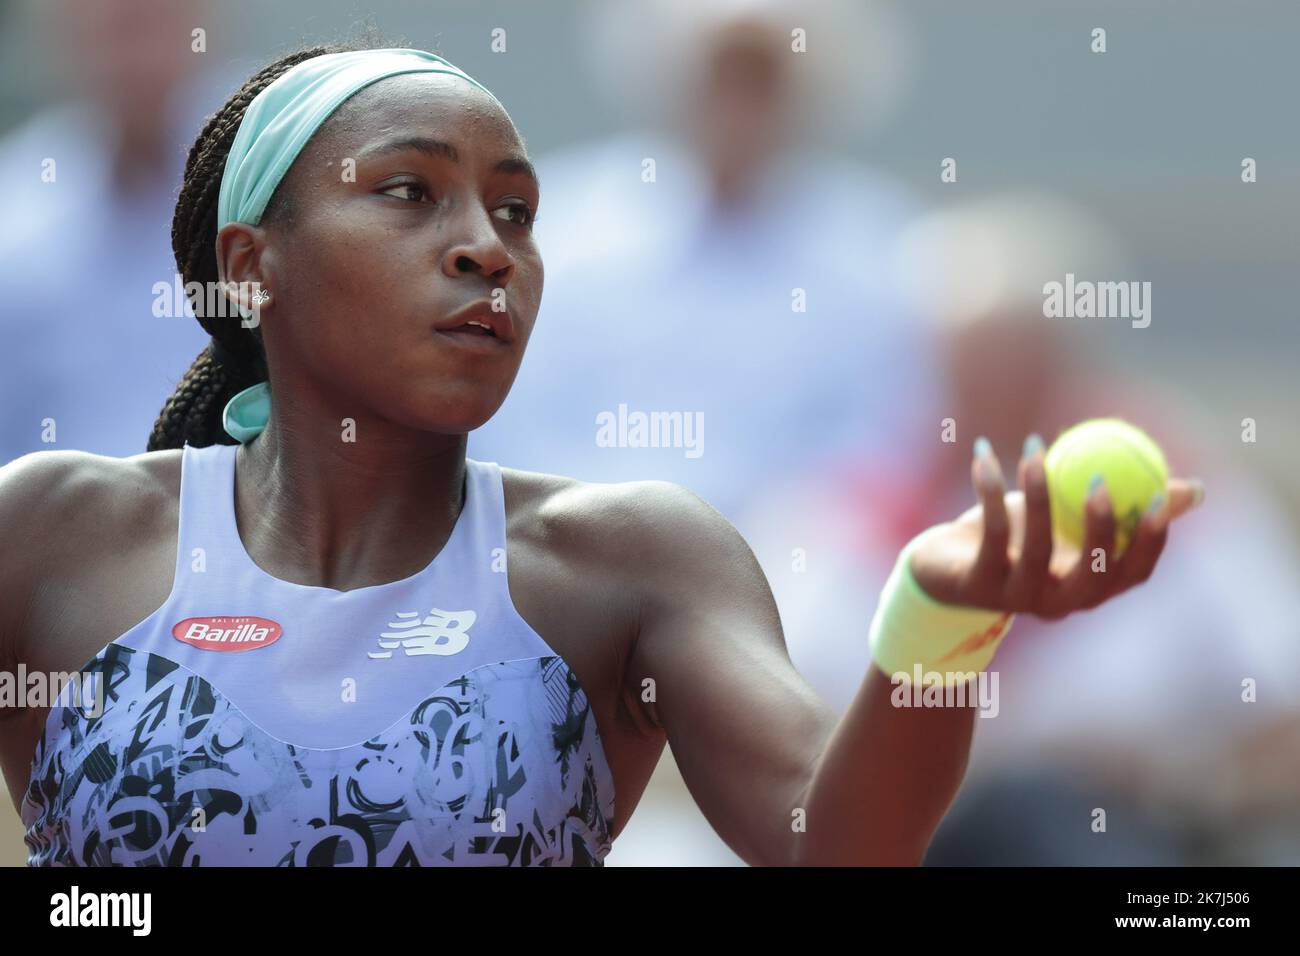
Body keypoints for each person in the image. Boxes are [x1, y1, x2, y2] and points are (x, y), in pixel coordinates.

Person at [0, 42, 1201, 867]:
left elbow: (837, 843)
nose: (485, 247)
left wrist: (942, 625)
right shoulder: (56, 529)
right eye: (412, 192)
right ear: (253, 264)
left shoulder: (635, 557)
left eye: (514, 210)